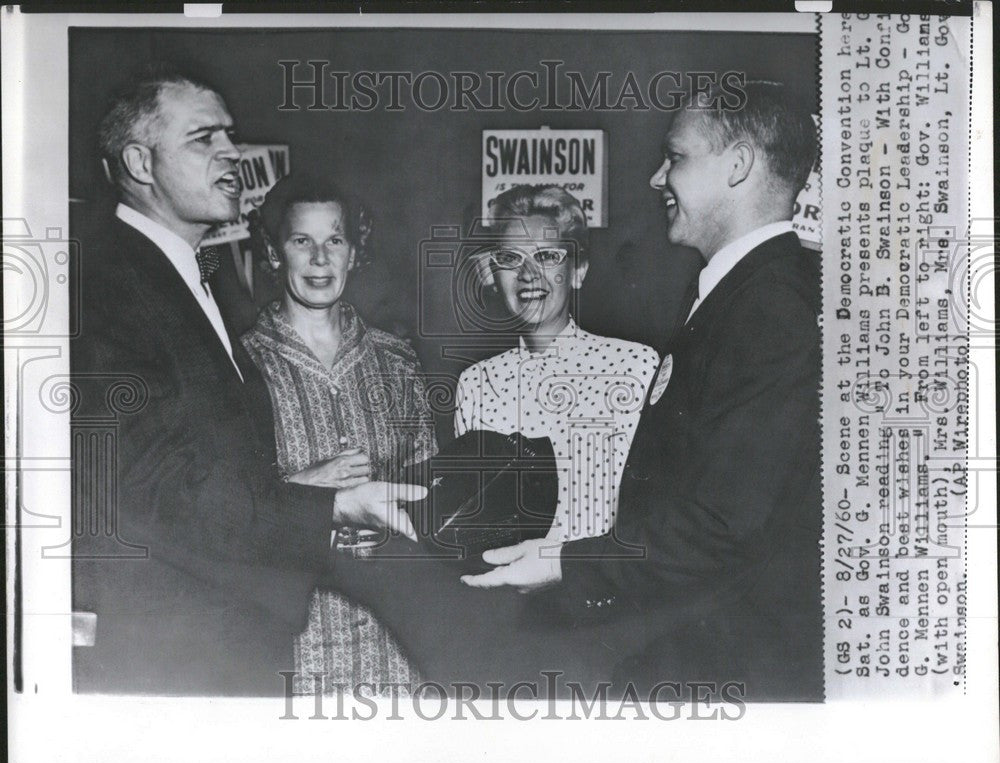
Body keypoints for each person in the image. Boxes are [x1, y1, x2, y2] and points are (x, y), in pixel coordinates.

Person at [331, 80, 823, 701]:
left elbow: (722, 525)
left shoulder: (764, 310)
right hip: (553, 626)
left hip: (652, 636)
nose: (656, 178)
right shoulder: (738, 300)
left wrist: (566, 562)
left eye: (675, 156)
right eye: (511, 260)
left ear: (739, 164)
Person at [71, 68, 425, 696]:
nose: (232, 154)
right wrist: (330, 503)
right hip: (176, 656)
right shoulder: (107, 284)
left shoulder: (185, 276)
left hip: (232, 640)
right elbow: (150, 485)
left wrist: (293, 490)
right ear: (139, 162)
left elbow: (192, 456)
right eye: (204, 139)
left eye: (229, 136)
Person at [241, 175, 436, 691]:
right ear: (273, 252)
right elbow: (220, 511)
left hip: (397, 636)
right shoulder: (240, 365)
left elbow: (431, 490)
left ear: (354, 252)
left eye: (335, 240)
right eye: (301, 241)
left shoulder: (396, 360)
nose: (321, 259)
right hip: (290, 639)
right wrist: (307, 483)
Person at [455, 185, 657, 543]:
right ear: (493, 277)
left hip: (603, 591)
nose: (528, 274)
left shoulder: (635, 366)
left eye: (547, 256)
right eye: (510, 259)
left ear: (578, 271)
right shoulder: (476, 384)